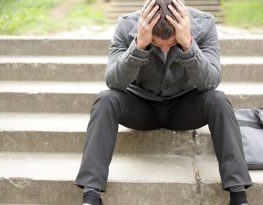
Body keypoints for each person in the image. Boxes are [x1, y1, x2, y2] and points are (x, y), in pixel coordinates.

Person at [75, 0, 253, 204]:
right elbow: (114, 82)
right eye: (158, 45)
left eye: (171, 45)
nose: (166, 50)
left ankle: (238, 195)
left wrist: (188, 45)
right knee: (105, 100)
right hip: (141, 107)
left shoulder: (205, 24)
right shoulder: (126, 25)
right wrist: (139, 46)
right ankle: (91, 195)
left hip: (184, 108)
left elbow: (210, 82)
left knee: (218, 100)